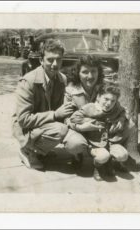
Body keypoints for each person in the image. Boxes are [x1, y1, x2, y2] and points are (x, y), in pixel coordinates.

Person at [12, 39, 87, 170]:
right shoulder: (28, 81)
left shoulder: (62, 79)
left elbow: (65, 108)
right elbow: (23, 120)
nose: (55, 64)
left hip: (47, 125)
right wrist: (55, 114)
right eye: (50, 59)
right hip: (27, 129)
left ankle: (42, 150)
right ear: (41, 60)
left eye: (58, 59)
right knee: (61, 130)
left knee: (77, 143)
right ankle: (27, 150)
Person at [68, 83, 129, 181]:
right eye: (106, 99)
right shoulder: (90, 108)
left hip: (110, 142)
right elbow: (73, 118)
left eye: (113, 101)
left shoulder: (115, 108)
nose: (109, 103)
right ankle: (98, 167)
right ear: (99, 97)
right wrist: (89, 121)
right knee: (102, 156)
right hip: (94, 143)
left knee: (123, 155)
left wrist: (121, 119)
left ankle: (109, 162)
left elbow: (123, 111)